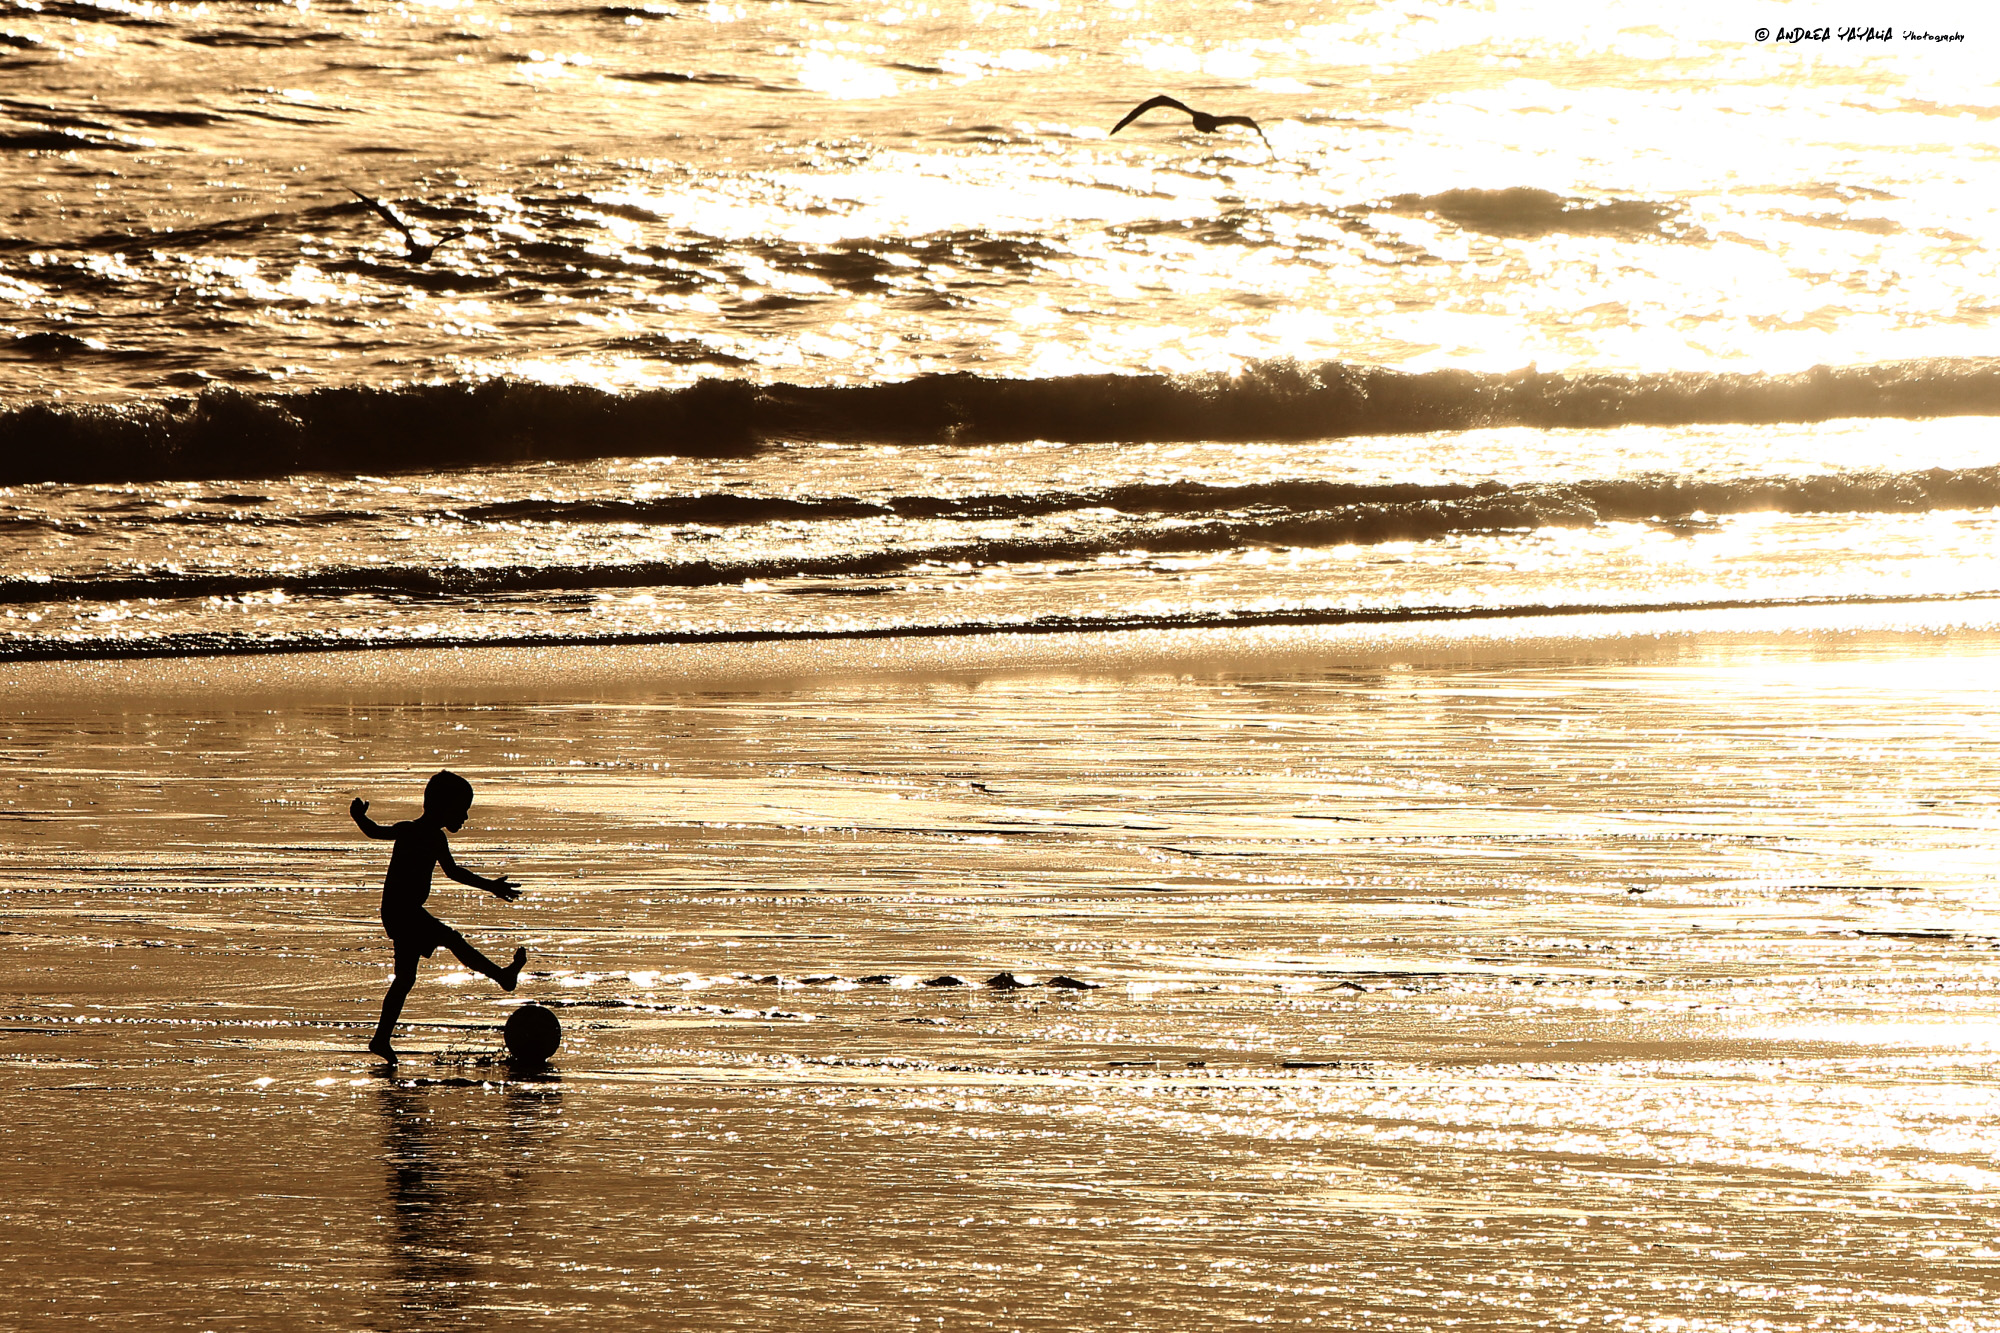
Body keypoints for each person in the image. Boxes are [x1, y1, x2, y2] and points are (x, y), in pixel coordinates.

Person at [352, 770, 526, 1064]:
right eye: (462, 810)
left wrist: (491, 886)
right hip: (403, 912)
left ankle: (381, 1039)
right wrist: (359, 816)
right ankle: (502, 977)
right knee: (451, 940)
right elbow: (375, 831)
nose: (466, 817)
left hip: (400, 912)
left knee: (405, 979)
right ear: (443, 807)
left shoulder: (432, 836)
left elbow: (453, 872)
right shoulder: (416, 832)